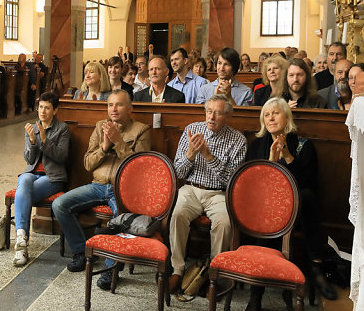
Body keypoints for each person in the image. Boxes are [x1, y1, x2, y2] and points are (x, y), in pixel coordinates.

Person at [51, 90, 150, 289]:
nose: (113, 109)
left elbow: (140, 167)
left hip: (122, 189)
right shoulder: (99, 127)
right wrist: (104, 146)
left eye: (119, 105)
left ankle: (109, 270)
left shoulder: (142, 129)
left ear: (130, 109)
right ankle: (80, 251)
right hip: (97, 185)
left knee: (121, 221)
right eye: (110, 105)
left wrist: (119, 142)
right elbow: (88, 163)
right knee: (59, 204)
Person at [243, 98, 337, 304]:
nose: (271, 118)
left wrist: (287, 156)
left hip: (298, 209)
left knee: (307, 196)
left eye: (275, 113)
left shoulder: (304, 145)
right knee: (268, 211)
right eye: (266, 115)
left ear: (287, 117)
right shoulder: (257, 145)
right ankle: (256, 295)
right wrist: (271, 163)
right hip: (265, 209)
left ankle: (316, 268)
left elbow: (308, 182)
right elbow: (251, 186)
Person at [168, 95, 246, 294]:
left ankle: (213, 274)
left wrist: (208, 156)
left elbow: (231, 181)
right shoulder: (191, 130)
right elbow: (177, 172)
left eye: (218, 113)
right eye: (209, 111)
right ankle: (177, 269)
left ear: (227, 115)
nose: (211, 117)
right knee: (177, 214)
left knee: (224, 222)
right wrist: (191, 154)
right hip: (191, 188)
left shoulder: (238, 140)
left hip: (219, 194)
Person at [12, 91, 70, 267]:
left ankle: (21, 246)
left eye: (47, 108)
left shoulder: (62, 129)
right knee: (24, 180)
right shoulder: (32, 128)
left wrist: (44, 141)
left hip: (52, 177)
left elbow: (61, 157)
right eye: (40, 107)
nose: (42, 111)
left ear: (55, 110)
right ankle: (22, 236)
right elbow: (29, 160)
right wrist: (32, 140)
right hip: (32, 174)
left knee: (22, 191)